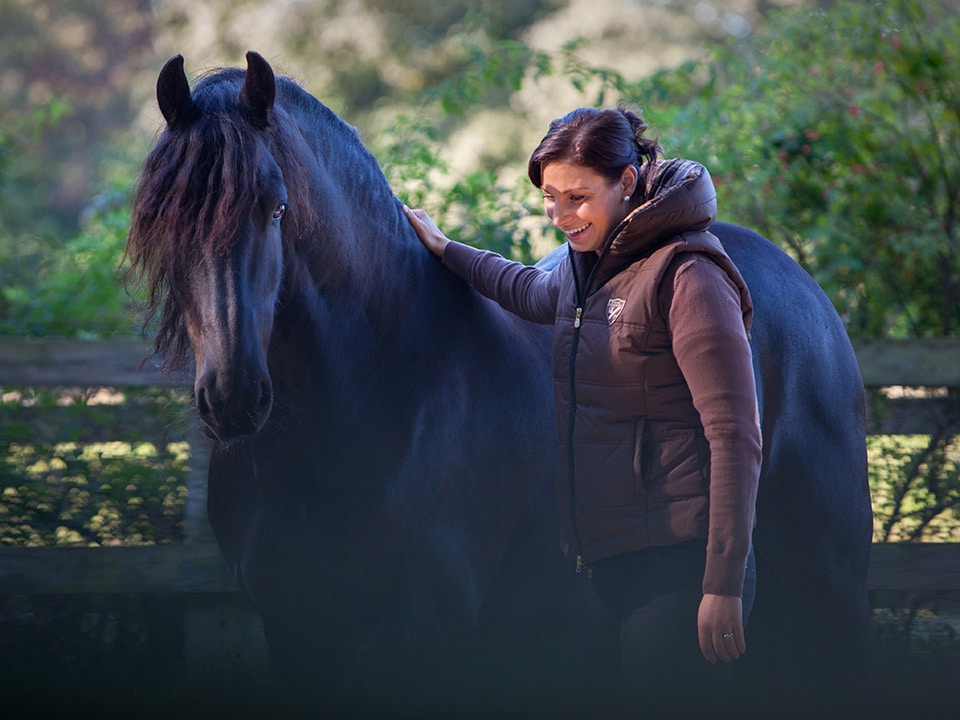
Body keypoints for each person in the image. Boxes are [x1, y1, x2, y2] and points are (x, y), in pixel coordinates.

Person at [404, 106, 761, 712]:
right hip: (613, 558)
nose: (561, 215)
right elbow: (526, 289)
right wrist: (445, 249)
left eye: (578, 196)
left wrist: (722, 584)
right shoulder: (587, 271)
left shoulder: (688, 276)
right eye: (549, 197)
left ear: (626, 181)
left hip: (682, 568)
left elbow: (735, 437)